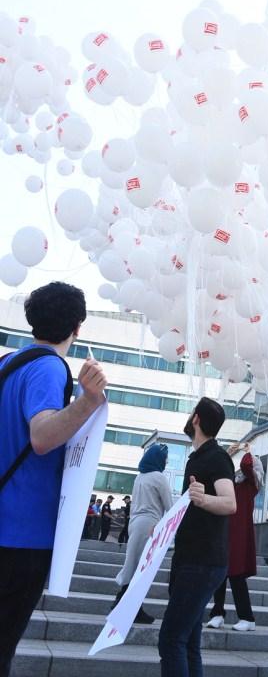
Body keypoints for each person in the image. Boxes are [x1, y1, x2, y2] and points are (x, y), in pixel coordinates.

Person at [0, 281, 107, 677]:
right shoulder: (48, 367)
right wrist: (88, 401)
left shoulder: (9, 362)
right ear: (77, 327)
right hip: (20, 537)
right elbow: (43, 436)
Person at [158, 397, 236, 677]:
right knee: (188, 642)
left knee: (171, 639)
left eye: (192, 413)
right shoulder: (200, 457)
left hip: (202, 563)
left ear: (196, 420)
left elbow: (230, 503)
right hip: (192, 560)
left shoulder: (217, 457)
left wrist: (203, 500)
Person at [113, 444, 173, 623]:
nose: (166, 461)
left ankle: (122, 603)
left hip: (134, 524)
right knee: (142, 570)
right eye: (165, 458)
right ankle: (129, 607)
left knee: (133, 565)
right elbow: (169, 506)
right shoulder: (159, 478)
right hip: (149, 525)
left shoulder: (140, 477)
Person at [207, 441, 263, 631]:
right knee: (219, 575)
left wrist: (248, 452)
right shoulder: (232, 482)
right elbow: (220, 473)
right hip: (223, 531)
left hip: (240, 534)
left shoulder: (251, 484)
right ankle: (217, 614)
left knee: (237, 576)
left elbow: (247, 466)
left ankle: (247, 618)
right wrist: (227, 454)